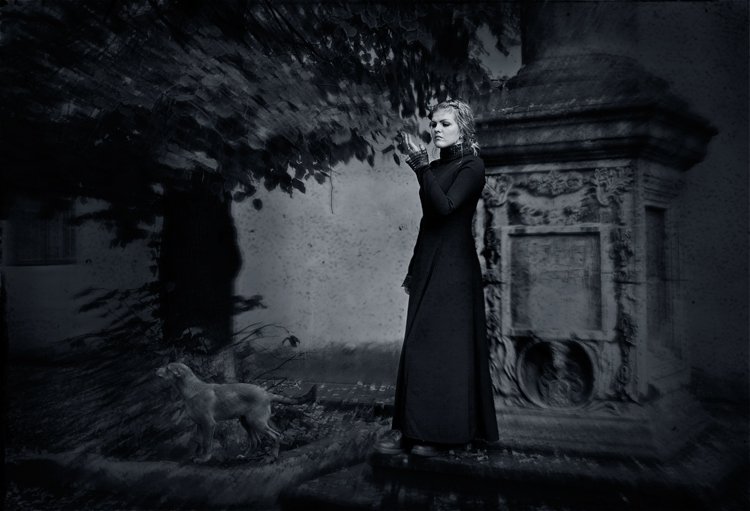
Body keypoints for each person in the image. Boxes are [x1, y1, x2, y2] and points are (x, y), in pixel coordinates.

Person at [376, 99, 499, 457]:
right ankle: (412, 431)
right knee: (418, 345)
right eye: (433, 124)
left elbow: (446, 208)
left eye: (445, 123)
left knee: (446, 351)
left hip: (455, 267)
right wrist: (414, 267)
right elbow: (428, 222)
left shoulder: (472, 166)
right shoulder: (434, 167)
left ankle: (446, 436)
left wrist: (419, 168)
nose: (436, 129)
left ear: (464, 128)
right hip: (430, 262)